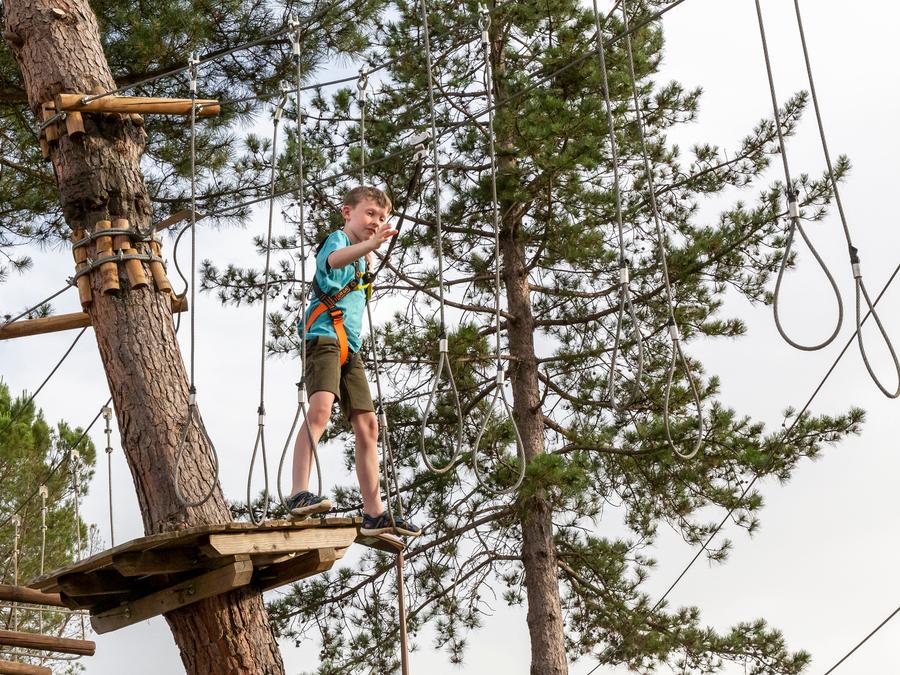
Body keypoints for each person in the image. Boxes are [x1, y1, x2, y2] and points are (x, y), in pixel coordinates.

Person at [286, 185, 421, 538]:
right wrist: (370, 246)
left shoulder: (364, 258)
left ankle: (374, 512)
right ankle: (299, 491)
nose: (376, 221)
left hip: (351, 347)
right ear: (348, 212)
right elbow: (333, 262)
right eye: (369, 213)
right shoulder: (339, 240)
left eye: (382, 217)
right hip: (323, 337)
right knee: (320, 410)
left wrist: (369, 252)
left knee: (368, 425)